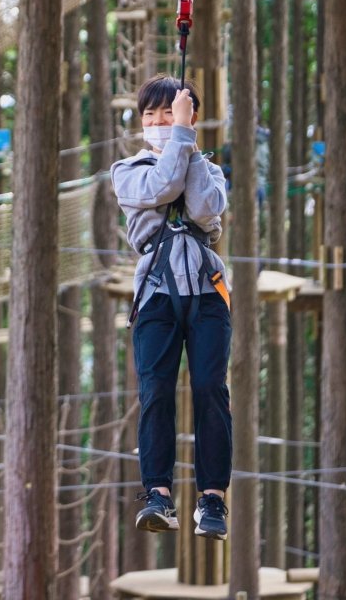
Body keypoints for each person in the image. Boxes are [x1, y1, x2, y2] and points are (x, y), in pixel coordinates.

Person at [111, 74, 232, 540]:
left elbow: (205, 210)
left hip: (205, 290)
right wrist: (179, 139)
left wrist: (188, 145)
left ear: (190, 117)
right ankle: (159, 494)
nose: (160, 121)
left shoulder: (210, 169)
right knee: (156, 389)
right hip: (156, 291)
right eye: (151, 115)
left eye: (169, 113)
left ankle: (212, 499)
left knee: (209, 389)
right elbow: (161, 189)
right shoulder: (127, 169)